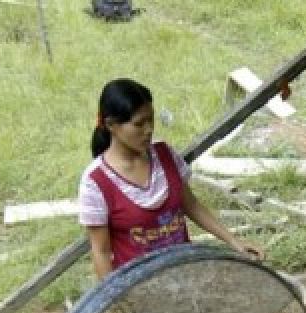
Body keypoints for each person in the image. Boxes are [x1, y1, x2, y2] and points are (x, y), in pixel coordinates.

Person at [77, 78, 263, 279]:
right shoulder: (96, 181)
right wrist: (114, 300)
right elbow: (101, 252)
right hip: (137, 288)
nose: (148, 129)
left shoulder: (164, 155)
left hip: (184, 276)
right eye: (139, 124)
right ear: (111, 125)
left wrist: (234, 241)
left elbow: (191, 205)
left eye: (151, 119)